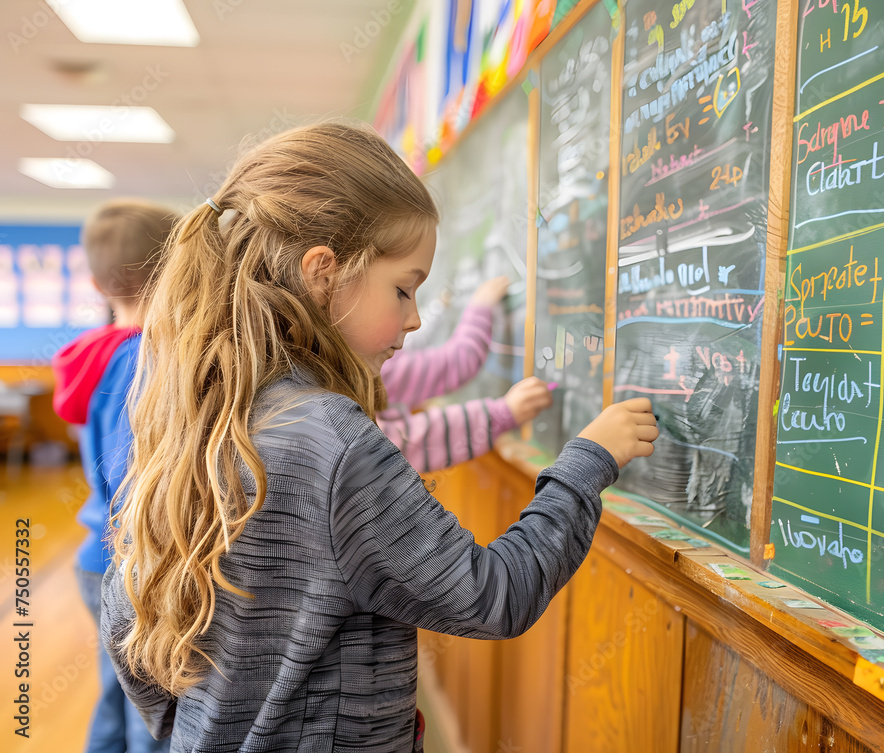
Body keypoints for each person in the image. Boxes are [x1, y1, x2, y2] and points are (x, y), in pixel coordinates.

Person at [101, 121, 657, 752]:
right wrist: (588, 461)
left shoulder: (193, 412)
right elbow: (494, 594)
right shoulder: (333, 444)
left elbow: (127, 619)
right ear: (323, 273)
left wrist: (197, 731)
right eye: (404, 288)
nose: (416, 319)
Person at [52, 198, 177, 753]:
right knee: (149, 713)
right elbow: (136, 481)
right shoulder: (145, 359)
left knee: (118, 690)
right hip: (133, 567)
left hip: (96, 557)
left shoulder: (95, 355)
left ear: (103, 285)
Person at [378, 274, 552, 472]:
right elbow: (458, 362)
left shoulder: (363, 358)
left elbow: (411, 343)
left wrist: (440, 306)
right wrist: (501, 415)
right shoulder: (374, 370)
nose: (412, 319)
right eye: (399, 292)